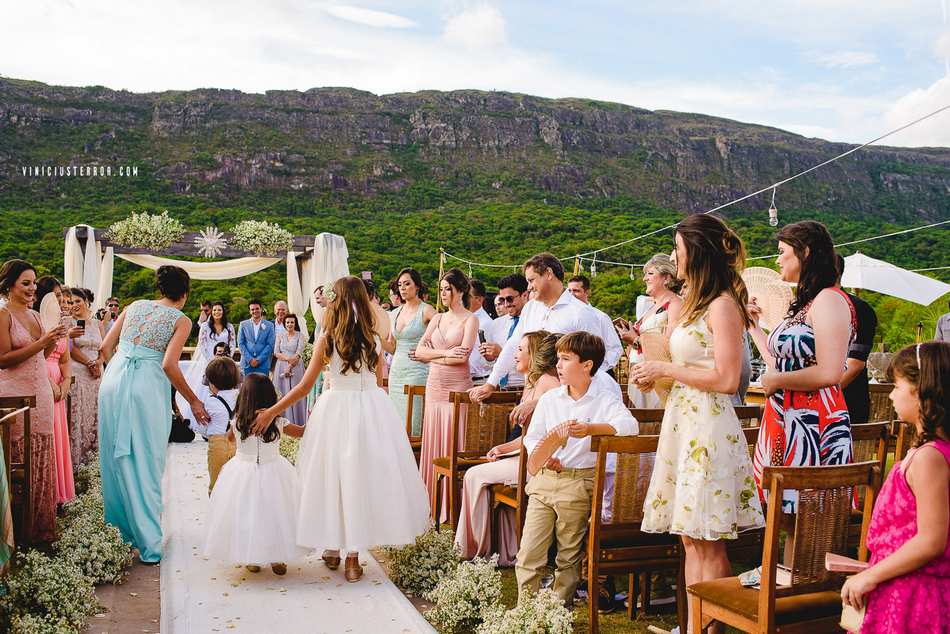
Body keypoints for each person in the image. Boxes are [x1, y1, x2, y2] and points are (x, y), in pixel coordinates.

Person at [632, 214, 765, 633]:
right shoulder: (692, 304)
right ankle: (693, 627)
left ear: (697, 252)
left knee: (708, 537)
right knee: (689, 536)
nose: (674, 256)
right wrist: (657, 371)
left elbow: (728, 379)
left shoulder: (724, 305)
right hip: (684, 423)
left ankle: (713, 627)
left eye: (678, 248)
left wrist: (665, 367)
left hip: (708, 427)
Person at [252, 276, 430, 583]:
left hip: (335, 408)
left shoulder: (328, 338)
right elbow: (378, 379)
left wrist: (272, 411)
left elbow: (306, 386)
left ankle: (333, 548)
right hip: (371, 408)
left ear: (336, 300)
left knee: (332, 477)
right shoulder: (374, 337)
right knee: (360, 478)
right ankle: (351, 558)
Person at [98, 265, 210, 563]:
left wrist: (121, 372)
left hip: (113, 382)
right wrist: (195, 402)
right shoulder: (181, 320)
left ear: (159, 288)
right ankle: (149, 544)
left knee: (114, 459)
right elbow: (169, 366)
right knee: (147, 460)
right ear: (184, 294)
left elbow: (105, 346)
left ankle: (120, 536)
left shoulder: (134, 306)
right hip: (145, 386)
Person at [516, 332, 638, 605]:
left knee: (568, 557)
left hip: (579, 483)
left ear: (587, 365)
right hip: (544, 480)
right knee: (529, 553)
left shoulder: (603, 398)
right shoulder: (551, 400)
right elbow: (533, 437)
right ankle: (525, 614)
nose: (558, 365)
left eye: (565, 359)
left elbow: (630, 426)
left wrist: (590, 430)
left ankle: (558, 614)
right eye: (558, 358)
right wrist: (545, 456)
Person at [840, 341, 950, 633]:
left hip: (913, 597)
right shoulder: (928, 453)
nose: (890, 394)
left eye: (897, 386)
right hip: (899, 585)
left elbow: (931, 540)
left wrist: (871, 576)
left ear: (922, 391)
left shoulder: (930, 458)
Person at [747, 221, 856, 509]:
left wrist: (777, 382)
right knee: (785, 513)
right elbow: (781, 365)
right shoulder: (807, 302)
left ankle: (808, 557)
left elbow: (830, 371)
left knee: (809, 513)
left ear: (804, 252)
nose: (777, 259)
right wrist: (754, 329)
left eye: (782, 251)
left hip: (813, 419)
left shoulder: (829, 300)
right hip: (787, 412)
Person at [470, 253, 623, 423]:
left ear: (549, 274)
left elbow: (595, 361)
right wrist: (491, 383)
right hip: (532, 391)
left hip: (568, 404)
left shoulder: (580, 313)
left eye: (531, 280)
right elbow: (513, 345)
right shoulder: (530, 309)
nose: (528, 287)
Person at [455, 330, 560, 565]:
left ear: (533, 354)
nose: (515, 354)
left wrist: (536, 402)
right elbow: (529, 435)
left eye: (521, 349)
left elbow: (561, 403)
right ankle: (502, 549)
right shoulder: (531, 383)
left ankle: (475, 550)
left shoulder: (547, 382)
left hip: (538, 463)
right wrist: (503, 448)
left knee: (474, 475)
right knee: (481, 474)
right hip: (522, 454)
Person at [204, 373, 306, 575]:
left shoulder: (238, 422)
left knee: (247, 515)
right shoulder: (278, 423)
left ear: (245, 397)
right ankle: (277, 558)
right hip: (275, 471)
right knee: (278, 515)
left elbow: (231, 440)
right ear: (271, 397)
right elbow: (301, 432)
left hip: (242, 472)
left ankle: (252, 558)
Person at [0, 260, 64, 543]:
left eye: (34, 283)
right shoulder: (3, 315)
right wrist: (40, 344)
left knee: (41, 454)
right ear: (10, 285)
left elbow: (42, 353)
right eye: (25, 283)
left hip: (41, 392)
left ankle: (40, 529)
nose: (31, 288)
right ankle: (18, 532)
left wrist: (53, 339)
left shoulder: (36, 316)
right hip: (15, 395)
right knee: (18, 458)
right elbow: (2, 360)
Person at [416, 268, 479, 523]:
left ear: (460, 290)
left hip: (456, 388)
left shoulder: (470, 320)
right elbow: (419, 351)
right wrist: (443, 355)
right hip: (434, 387)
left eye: (447, 289)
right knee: (433, 439)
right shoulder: (437, 319)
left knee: (455, 439)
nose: (443, 293)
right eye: (441, 289)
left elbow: (462, 356)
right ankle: (430, 502)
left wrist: (436, 355)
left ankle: (453, 506)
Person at [615, 255, 683, 407]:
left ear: (666, 278)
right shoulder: (651, 307)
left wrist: (635, 340)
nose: (645, 278)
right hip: (641, 375)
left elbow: (671, 345)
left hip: (658, 379)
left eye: (650, 273)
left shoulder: (675, 304)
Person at [381, 268, 435, 436]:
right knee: (396, 424)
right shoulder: (394, 313)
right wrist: (375, 337)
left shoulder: (426, 310)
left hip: (417, 372)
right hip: (396, 373)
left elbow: (442, 334)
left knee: (413, 423)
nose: (403, 288)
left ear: (417, 286)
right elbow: (393, 347)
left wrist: (429, 354)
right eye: (400, 285)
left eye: (407, 284)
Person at [39, 285, 75, 505]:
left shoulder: (60, 325)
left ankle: (61, 494)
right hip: (43, 380)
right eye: (57, 296)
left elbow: (65, 358)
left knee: (60, 435)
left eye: (62, 297)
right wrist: (50, 382)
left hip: (60, 383)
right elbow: (35, 358)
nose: (61, 301)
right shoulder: (38, 322)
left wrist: (67, 382)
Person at [835, 254, 879, 423]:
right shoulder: (806, 307)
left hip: (846, 404)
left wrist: (821, 400)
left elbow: (855, 365)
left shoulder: (860, 309)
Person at [68, 287, 103, 466]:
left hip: (97, 373)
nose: (74, 305)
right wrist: (88, 363)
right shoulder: (69, 323)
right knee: (80, 414)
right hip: (78, 371)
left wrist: (99, 362)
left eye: (77, 301)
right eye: (71, 302)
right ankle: (77, 461)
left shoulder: (97, 324)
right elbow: (71, 349)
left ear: (86, 301)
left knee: (97, 412)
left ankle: (94, 461)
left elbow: (104, 347)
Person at [195, 356, 241, 493]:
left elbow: (202, 428)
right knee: (236, 480)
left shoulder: (210, 401)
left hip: (217, 444)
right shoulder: (240, 396)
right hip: (238, 442)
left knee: (216, 482)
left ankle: (216, 507)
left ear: (212, 384)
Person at [481, 273, 530, 387]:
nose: (507, 304)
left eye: (510, 299)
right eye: (503, 300)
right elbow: (490, 363)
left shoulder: (533, 322)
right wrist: (489, 356)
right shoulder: (497, 324)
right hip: (498, 387)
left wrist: (501, 352)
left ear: (525, 295)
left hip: (524, 386)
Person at [566, 275, 622, 371]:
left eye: (576, 291)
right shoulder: (565, 316)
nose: (571, 295)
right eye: (569, 291)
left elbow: (615, 348)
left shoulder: (601, 317)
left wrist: (597, 370)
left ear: (587, 292)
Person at [272, 313, 307, 425]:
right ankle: (281, 421)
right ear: (284, 324)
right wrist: (287, 359)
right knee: (282, 392)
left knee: (296, 391)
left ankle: (298, 420)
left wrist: (290, 366)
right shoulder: (280, 335)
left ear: (295, 323)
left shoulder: (300, 335)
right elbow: (276, 352)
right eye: (287, 322)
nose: (290, 324)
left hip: (296, 367)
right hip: (281, 366)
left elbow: (298, 353)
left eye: (292, 322)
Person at [238, 300, 275, 377]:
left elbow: (270, 345)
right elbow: (241, 343)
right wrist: (250, 359)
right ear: (249, 311)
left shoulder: (270, 325)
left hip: (263, 364)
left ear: (261, 309)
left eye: (257, 308)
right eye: (252, 309)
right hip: (246, 363)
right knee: (246, 388)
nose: (255, 311)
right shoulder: (243, 324)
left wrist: (259, 360)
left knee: (262, 388)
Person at [468, 279, 495, 384]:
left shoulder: (485, 323)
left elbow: (489, 359)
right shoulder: (463, 318)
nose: (462, 299)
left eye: (468, 296)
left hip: (478, 381)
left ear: (479, 299)